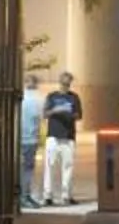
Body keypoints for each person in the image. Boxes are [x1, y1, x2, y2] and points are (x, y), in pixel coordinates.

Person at [37, 74, 84, 205]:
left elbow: (79, 115)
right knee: (50, 166)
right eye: (64, 83)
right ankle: (48, 196)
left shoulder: (74, 97)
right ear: (59, 82)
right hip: (53, 136)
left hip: (68, 137)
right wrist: (55, 111)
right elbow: (44, 114)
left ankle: (66, 195)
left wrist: (70, 113)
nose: (65, 86)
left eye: (68, 83)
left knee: (67, 166)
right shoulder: (52, 97)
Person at [17, 73, 49, 209]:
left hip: (17, 137)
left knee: (18, 167)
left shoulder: (19, 97)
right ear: (36, 84)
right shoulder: (39, 99)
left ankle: (19, 195)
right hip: (30, 138)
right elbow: (43, 116)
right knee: (28, 169)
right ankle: (25, 196)